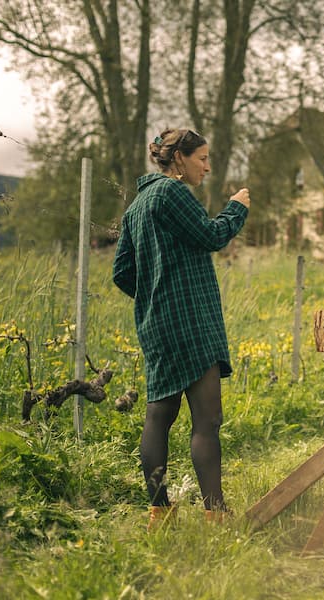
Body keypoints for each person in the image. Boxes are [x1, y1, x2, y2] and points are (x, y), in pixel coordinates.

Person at [113, 128, 250, 529]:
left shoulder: (138, 205)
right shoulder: (172, 193)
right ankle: (216, 514)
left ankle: (159, 510)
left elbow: (123, 272)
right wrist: (236, 208)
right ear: (179, 159)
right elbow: (211, 235)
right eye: (202, 158)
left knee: (159, 415)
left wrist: (155, 293)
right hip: (191, 321)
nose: (207, 166)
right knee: (206, 421)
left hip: (156, 325)